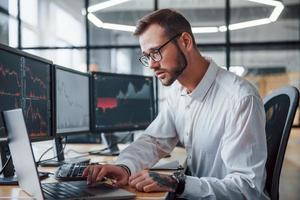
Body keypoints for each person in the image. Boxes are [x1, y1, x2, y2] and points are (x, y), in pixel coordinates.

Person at [83, 9, 269, 199]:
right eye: (147, 57)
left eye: (156, 52)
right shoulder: (177, 92)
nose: (152, 65)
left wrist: (179, 184)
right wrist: (124, 167)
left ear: (185, 42)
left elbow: (248, 189)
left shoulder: (239, 98)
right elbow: (154, 141)